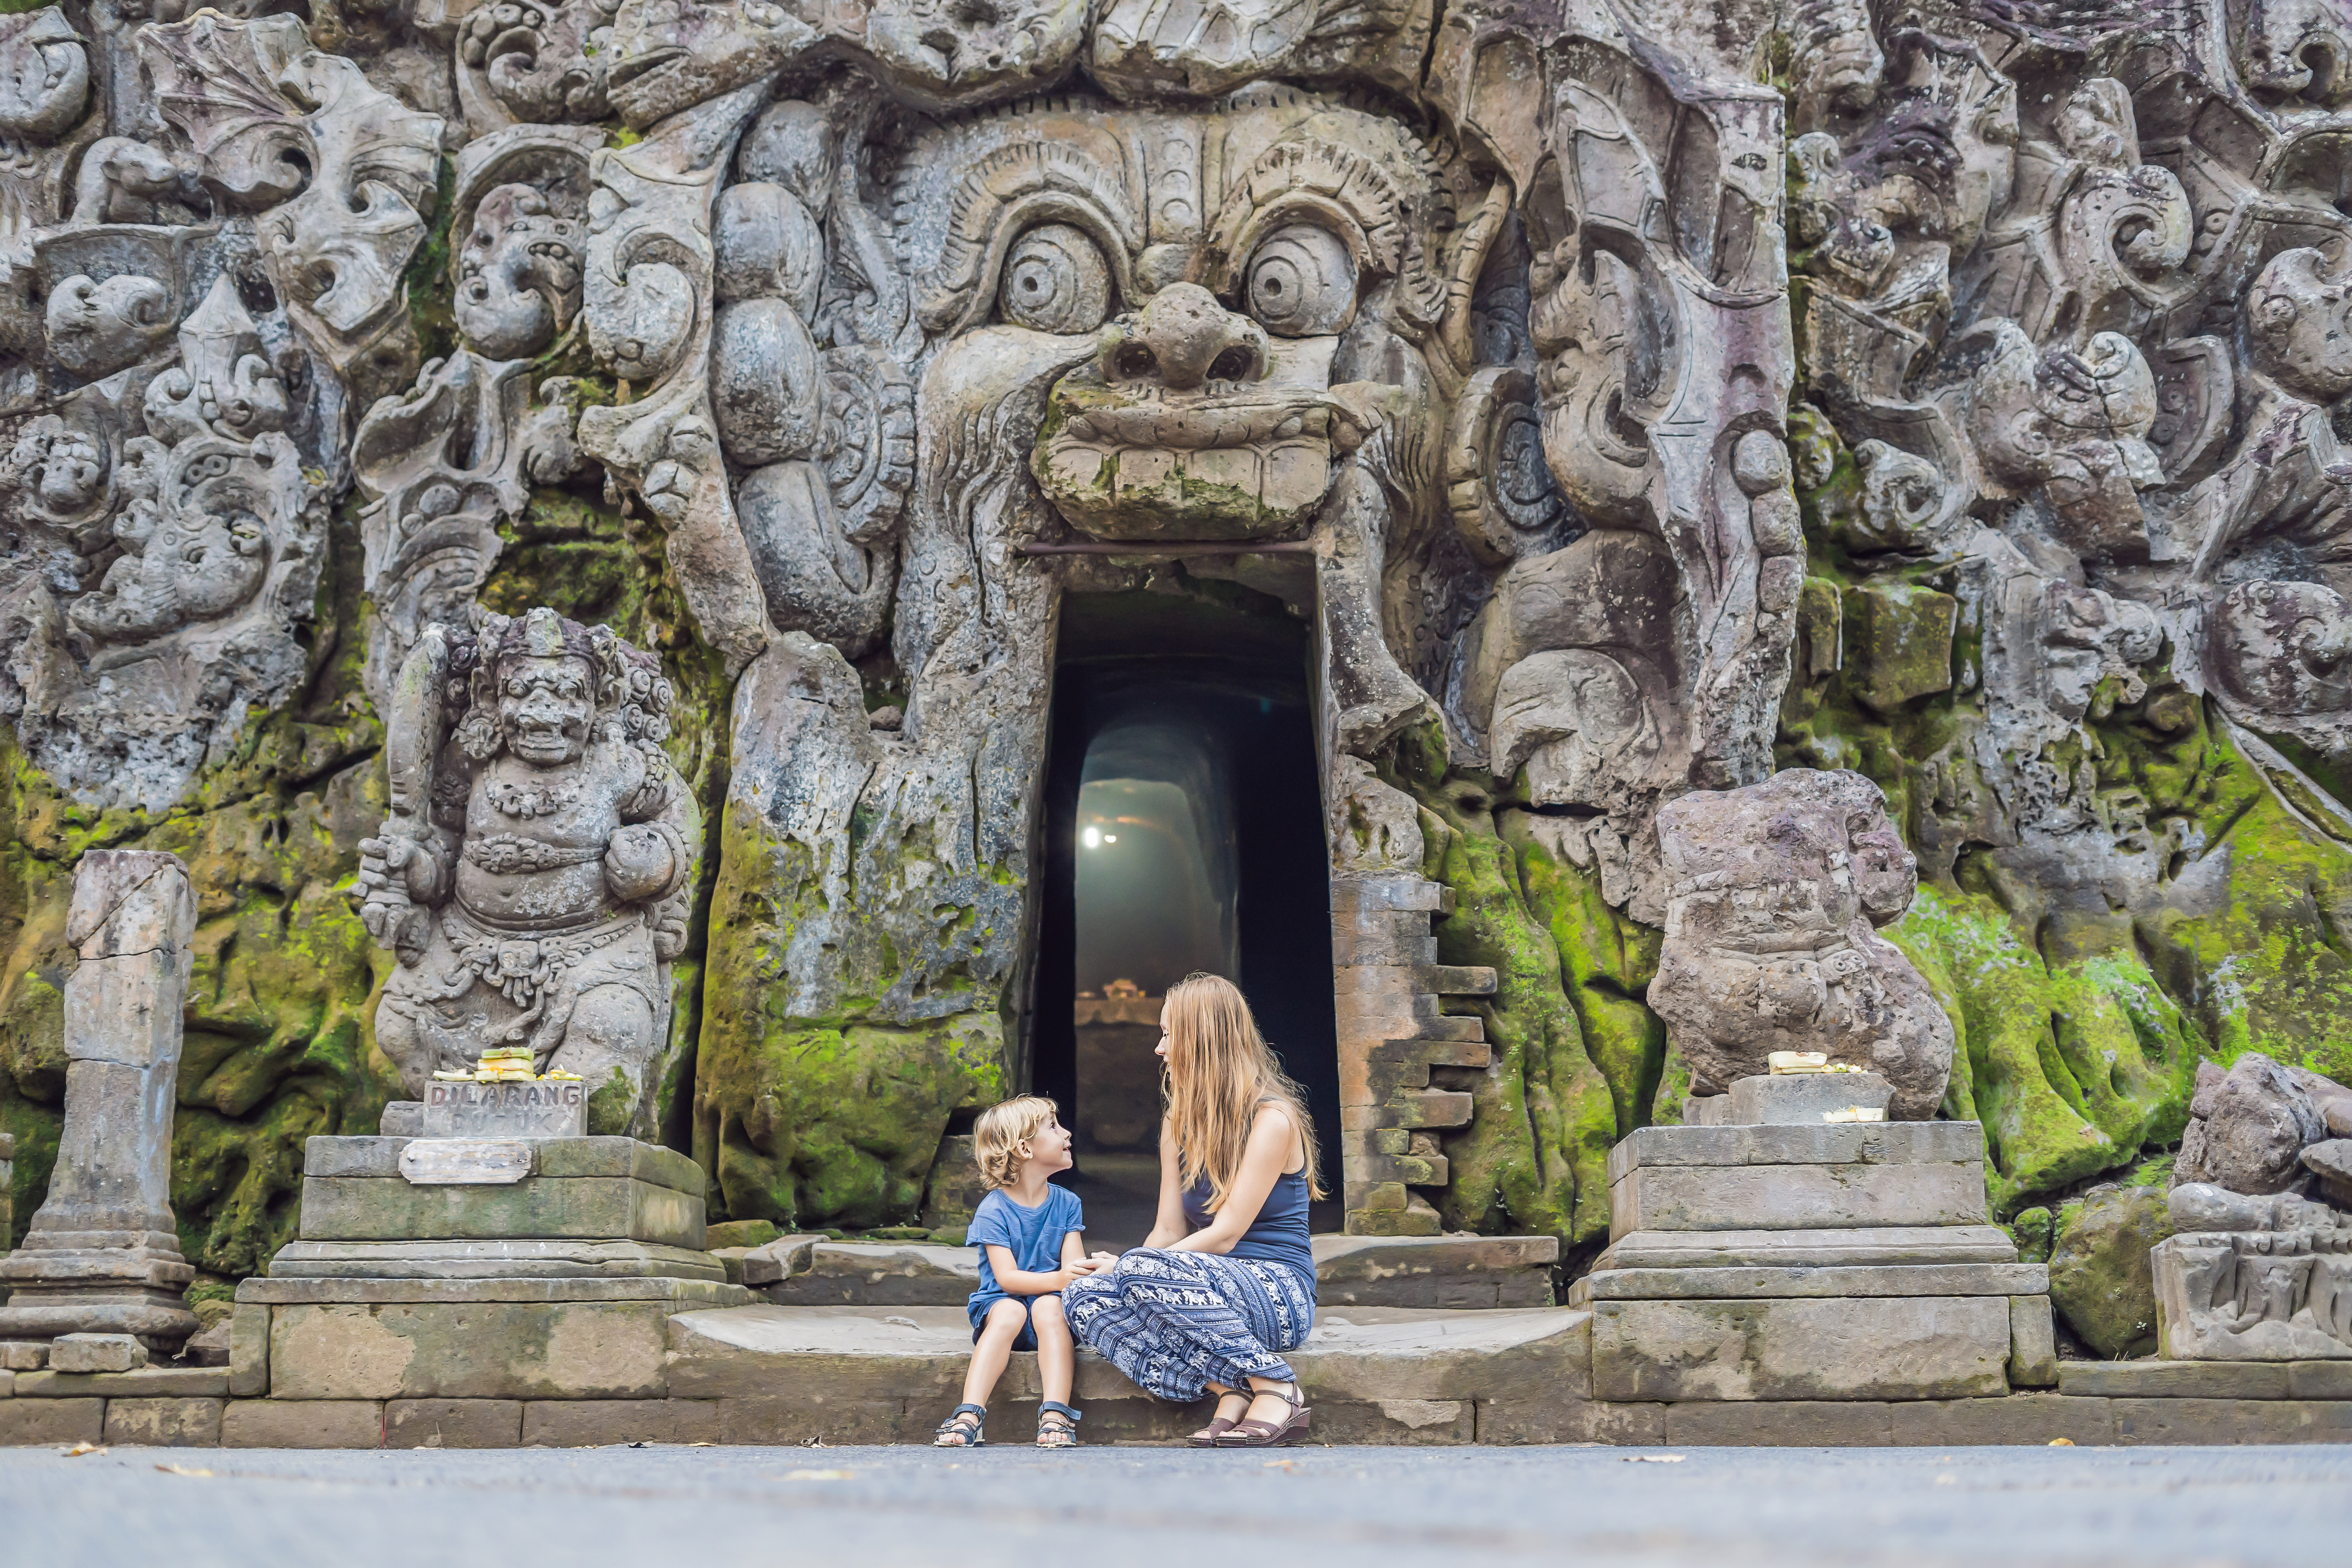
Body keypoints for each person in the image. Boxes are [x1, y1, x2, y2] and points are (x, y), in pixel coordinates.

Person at [1063, 973, 1324, 1448]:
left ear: (1203, 1040)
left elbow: (1225, 1235)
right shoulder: (1177, 1120)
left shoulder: (1272, 1119)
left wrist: (1133, 1267)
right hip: (1198, 1289)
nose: (1159, 1049)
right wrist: (1127, 1278)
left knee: (1135, 1268)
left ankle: (1277, 1388)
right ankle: (1228, 1389)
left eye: (1168, 1034)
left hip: (1279, 1294)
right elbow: (1167, 1229)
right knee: (1083, 1295)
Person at [934, 1096, 1114, 1448]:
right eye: (1053, 1127)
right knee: (1010, 1310)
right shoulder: (993, 1210)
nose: (1067, 1133)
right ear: (1024, 1149)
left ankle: (1056, 1413)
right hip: (1003, 1307)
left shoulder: (1068, 1203)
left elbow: (1073, 1271)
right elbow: (1007, 1279)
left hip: (1051, 1312)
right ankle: (970, 1414)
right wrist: (1061, 1278)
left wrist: (1088, 1272)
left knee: (1050, 1306)